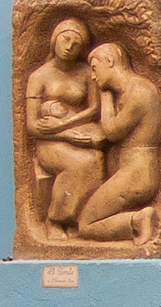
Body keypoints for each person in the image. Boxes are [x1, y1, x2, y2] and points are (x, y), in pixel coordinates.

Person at [24, 17, 106, 236]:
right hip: (51, 143)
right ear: (54, 40)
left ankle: (79, 218)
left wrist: (66, 124)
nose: (69, 47)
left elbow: (93, 109)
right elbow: (32, 126)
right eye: (66, 39)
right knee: (80, 163)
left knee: (96, 158)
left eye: (76, 44)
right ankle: (55, 220)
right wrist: (67, 135)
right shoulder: (38, 76)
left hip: (76, 130)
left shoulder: (86, 72)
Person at [77, 43, 161, 244]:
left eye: (95, 68)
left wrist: (104, 95)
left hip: (138, 173)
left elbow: (112, 132)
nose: (93, 76)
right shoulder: (130, 91)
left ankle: (137, 221)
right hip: (134, 169)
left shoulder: (139, 91)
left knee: (86, 224)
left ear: (110, 61)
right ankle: (136, 220)